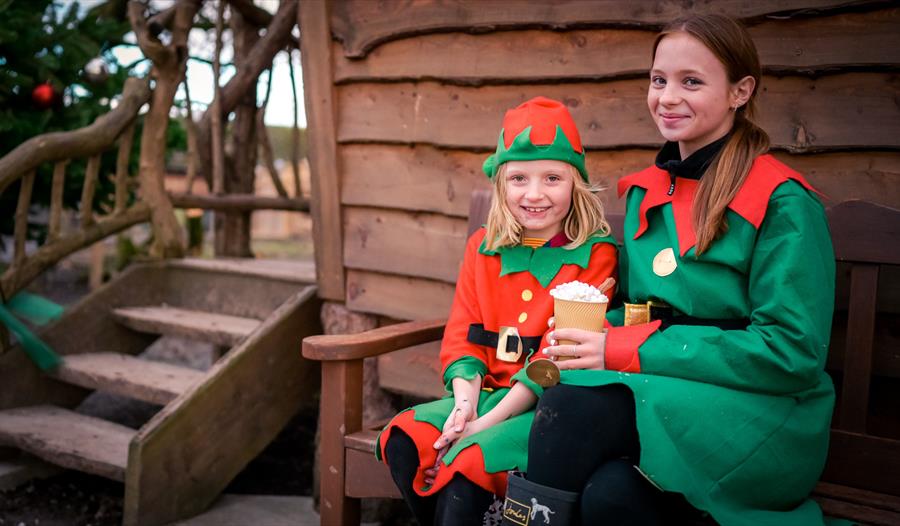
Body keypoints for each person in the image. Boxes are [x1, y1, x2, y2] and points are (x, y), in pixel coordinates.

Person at [502, 14, 839, 526]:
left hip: (762, 416)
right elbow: (642, 314)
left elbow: (791, 354)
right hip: (671, 392)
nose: (668, 97)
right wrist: (582, 337)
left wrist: (623, 348)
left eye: (692, 82)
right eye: (659, 80)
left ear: (740, 91)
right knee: (609, 494)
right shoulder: (647, 192)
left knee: (575, 408)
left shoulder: (784, 202)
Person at [376, 96, 618, 525]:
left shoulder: (595, 254)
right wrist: (463, 408)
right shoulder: (483, 248)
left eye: (553, 178)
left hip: (538, 409)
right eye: (519, 178)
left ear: (575, 184)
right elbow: (462, 333)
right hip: (480, 393)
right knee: (406, 439)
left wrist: (482, 425)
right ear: (501, 185)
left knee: (468, 462)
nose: (535, 194)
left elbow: (554, 359)